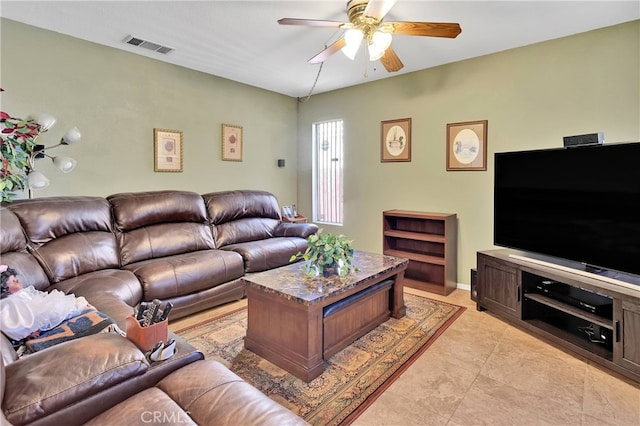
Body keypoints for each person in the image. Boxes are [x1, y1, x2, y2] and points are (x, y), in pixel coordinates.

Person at [0, 264, 91, 342]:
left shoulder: (21, 293)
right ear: (4, 288)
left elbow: (32, 300)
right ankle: (76, 309)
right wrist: (28, 333)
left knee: (55, 304)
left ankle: (74, 307)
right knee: (52, 310)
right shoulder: (8, 303)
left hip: (35, 310)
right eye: (14, 281)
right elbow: (15, 323)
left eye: (16, 279)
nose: (19, 282)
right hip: (34, 317)